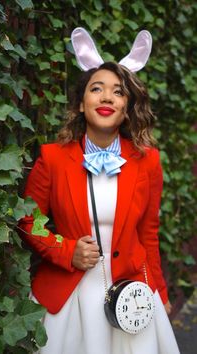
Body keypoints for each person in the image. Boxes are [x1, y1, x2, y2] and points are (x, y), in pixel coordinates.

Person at [19, 28, 180, 354]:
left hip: (130, 297)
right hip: (69, 297)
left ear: (126, 108)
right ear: (81, 104)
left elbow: (149, 233)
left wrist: (158, 292)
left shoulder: (148, 161)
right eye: (97, 89)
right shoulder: (53, 158)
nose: (107, 97)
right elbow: (30, 221)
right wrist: (66, 250)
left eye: (118, 92)